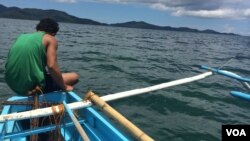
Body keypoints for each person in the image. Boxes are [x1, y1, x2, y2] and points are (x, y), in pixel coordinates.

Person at [5, 18, 79, 95]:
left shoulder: (21, 37)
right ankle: (49, 97)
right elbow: (51, 66)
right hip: (29, 86)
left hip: (11, 83)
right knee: (74, 77)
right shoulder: (50, 38)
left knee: (49, 75)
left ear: (37, 28)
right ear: (53, 33)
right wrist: (64, 87)